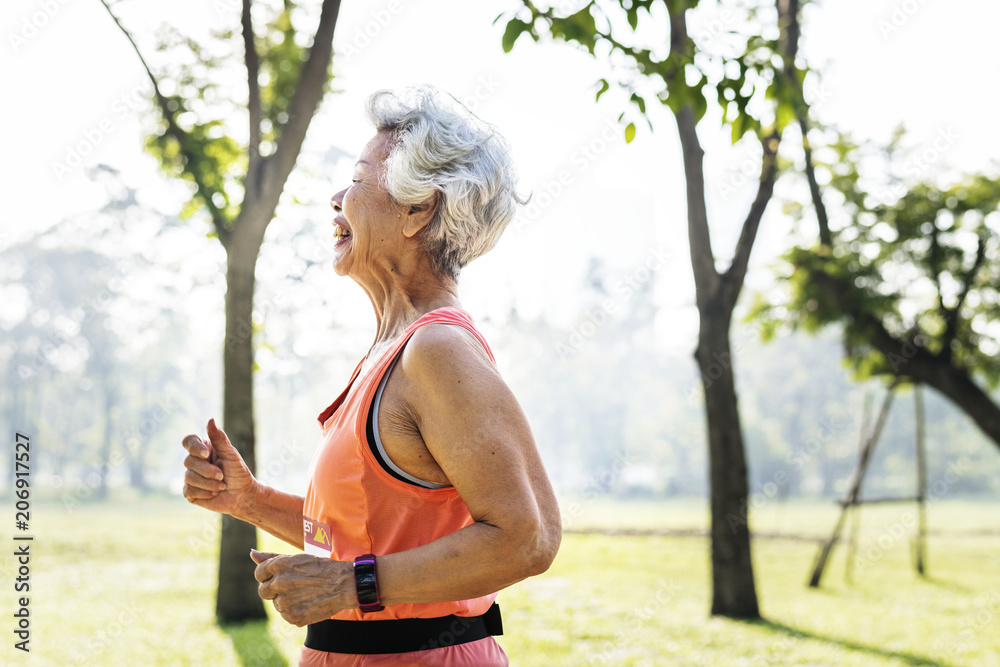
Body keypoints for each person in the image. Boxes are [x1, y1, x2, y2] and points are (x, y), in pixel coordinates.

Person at [181, 86, 561, 666]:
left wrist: (350, 585)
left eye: (357, 179)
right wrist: (250, 500)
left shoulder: (437, 349)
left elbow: (527, 539)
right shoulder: (391, 350)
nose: (337, 197)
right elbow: (360, 542)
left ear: (417, 209)